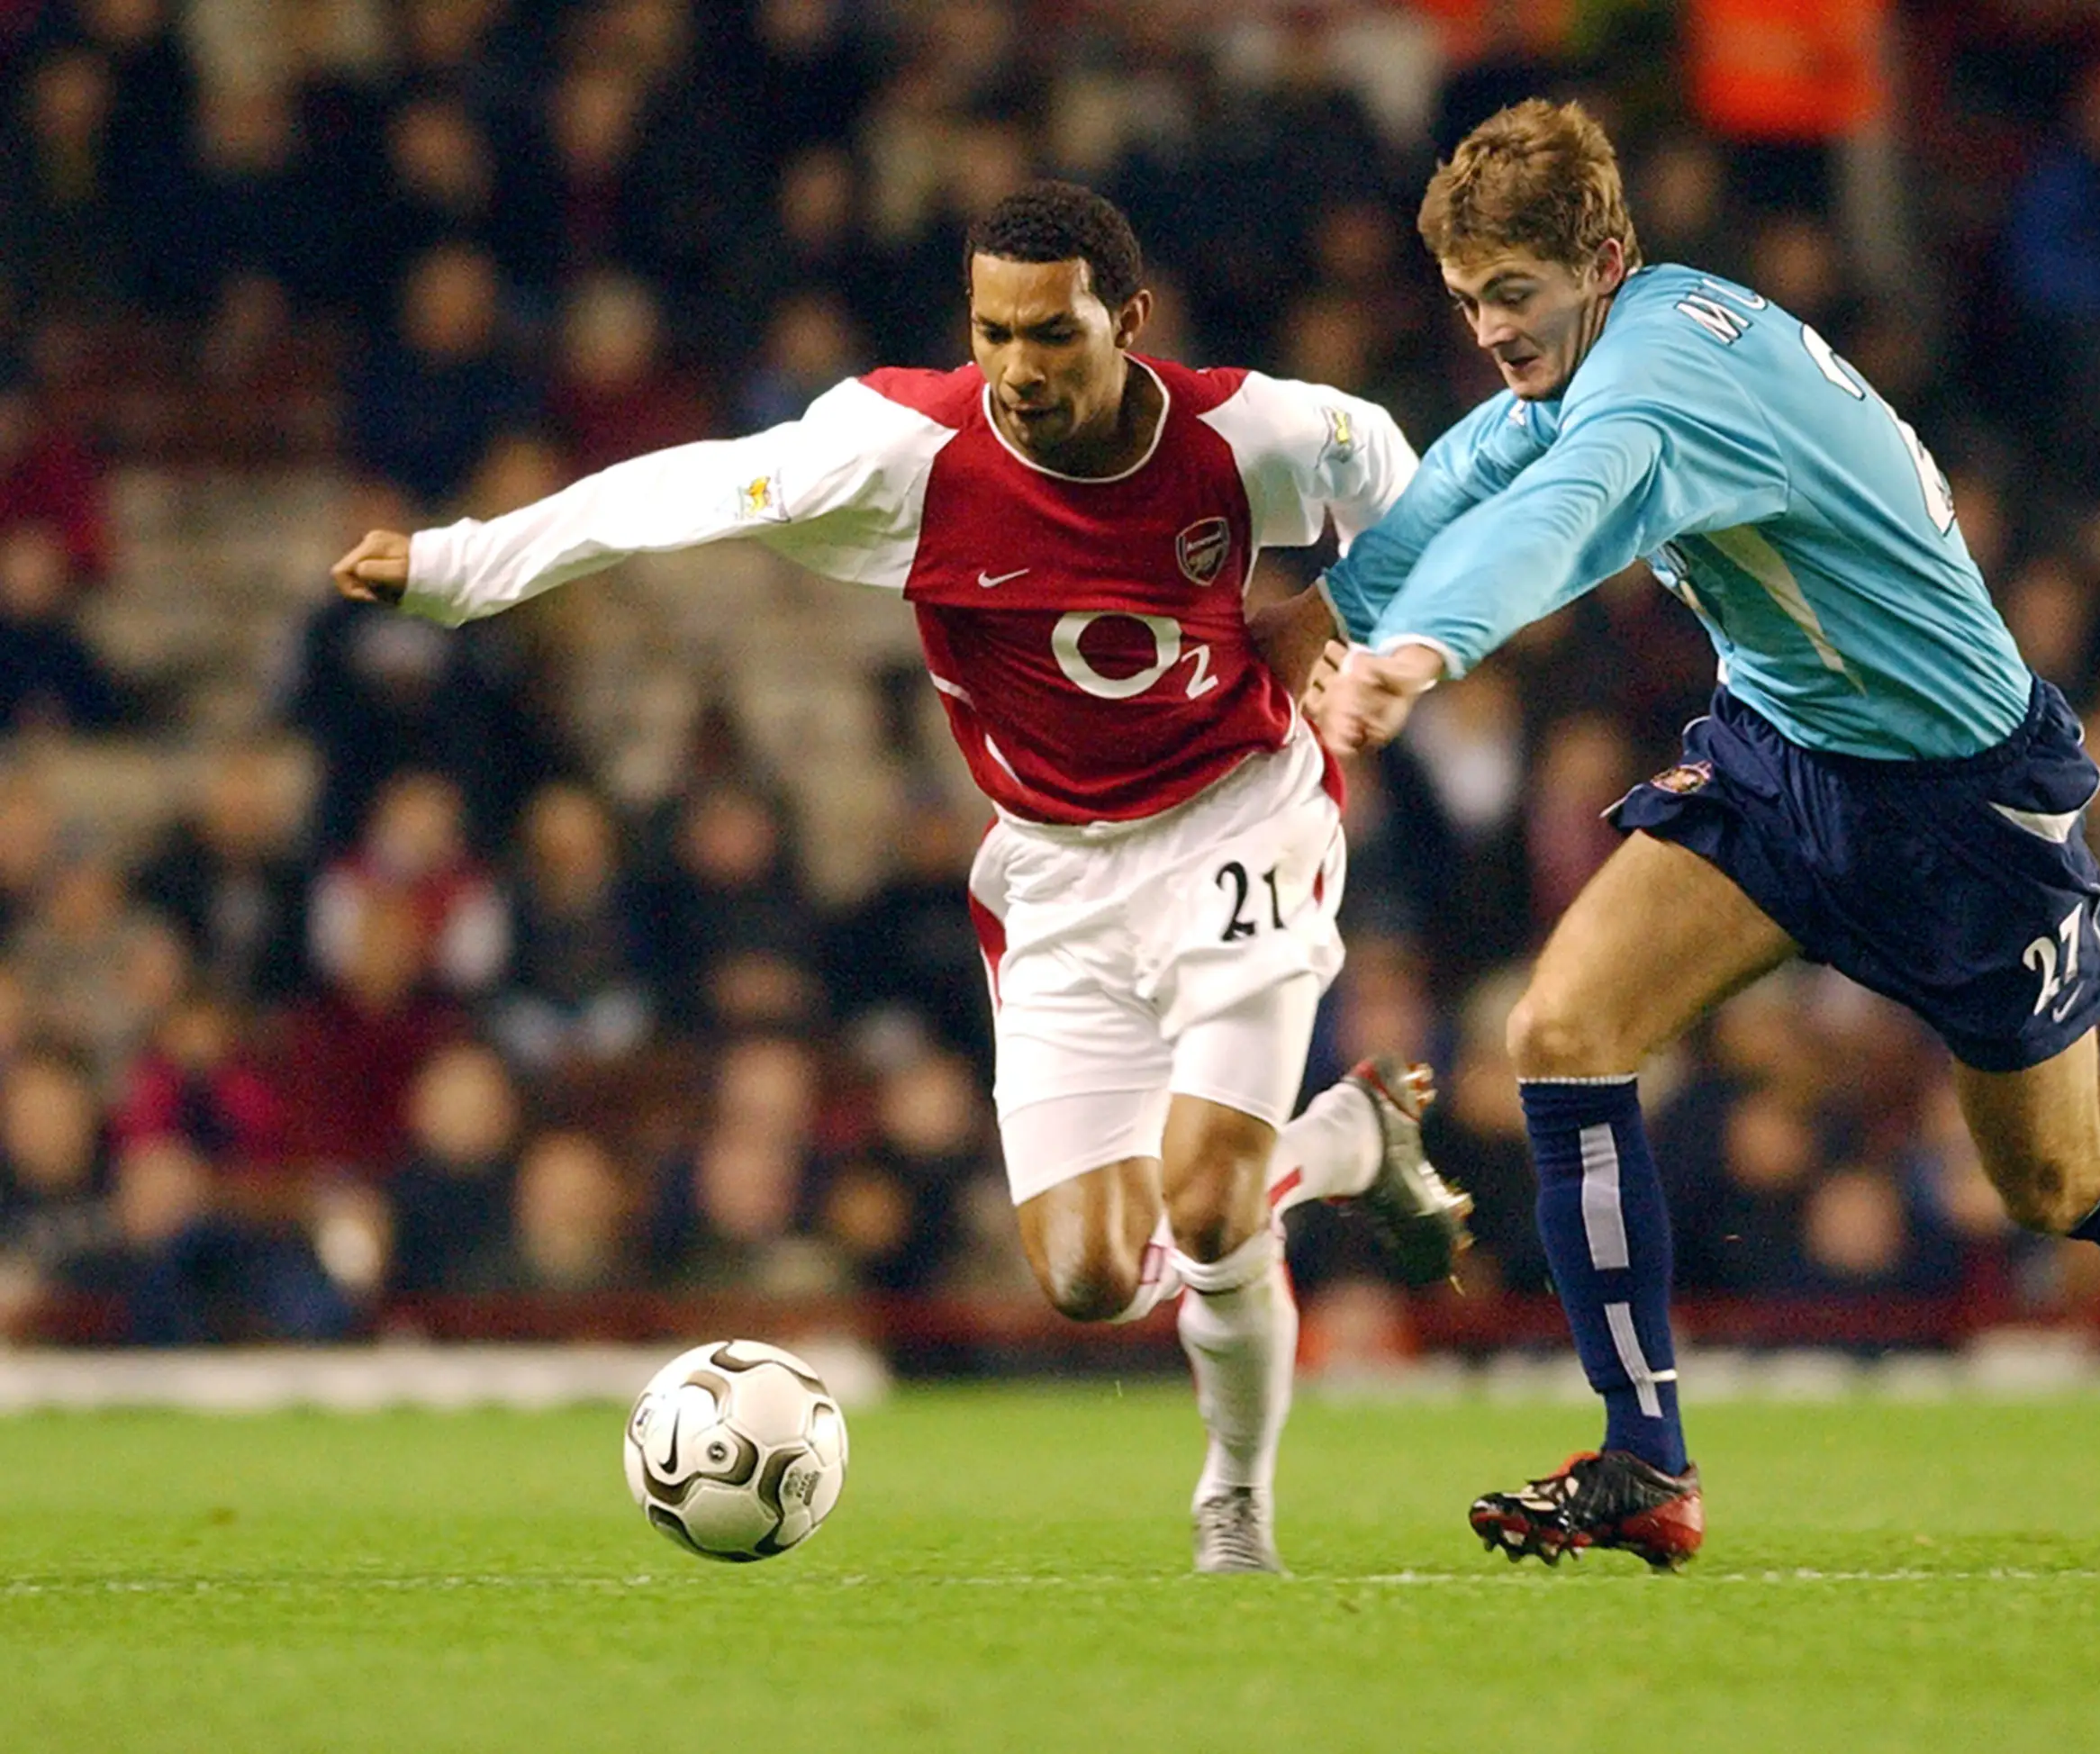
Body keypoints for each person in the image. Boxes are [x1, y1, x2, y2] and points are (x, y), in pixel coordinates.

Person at [330, 180, 1471, 1575]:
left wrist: (1344, 613)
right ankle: (1347, 1143)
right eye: (991, 332)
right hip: (1054, 874)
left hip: (1241, 820)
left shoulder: (1249, 435)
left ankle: (1234, 1500)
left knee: (1212, 1206)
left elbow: (1414, 474)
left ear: (1133, 321)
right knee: (1093, 1280)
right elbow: (686, 489)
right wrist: (462, 565)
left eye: (1052, 336)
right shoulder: (905, 449)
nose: (1017, 369)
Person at [1308, 102, 2100, 1569]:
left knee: (2051, 1182)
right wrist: (1328, 617)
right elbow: (1483, 462)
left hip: (1963, 806)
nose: (1490, 331)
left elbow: (1568, 509)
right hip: (1786, 762)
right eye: (1467, 303)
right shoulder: (1618, 341)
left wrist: (1427, 646)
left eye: (1510, 297)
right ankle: (1646, 1460)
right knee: (1564, 1025)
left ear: (1598, 258)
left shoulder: (1662, 392)